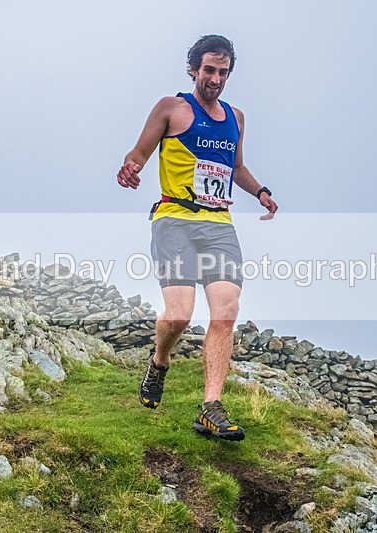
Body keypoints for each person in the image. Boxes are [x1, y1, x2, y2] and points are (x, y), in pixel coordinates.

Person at [117, 35, 277, 440]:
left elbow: (235, 167)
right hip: (174, 219)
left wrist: (260, 191)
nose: (216, 79)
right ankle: (160, 360)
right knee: (179, 315)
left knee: (226, 310)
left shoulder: (235, 118)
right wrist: (130, 168)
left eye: (223, 72)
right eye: (209, 70)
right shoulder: (171, 108)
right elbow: (139, 152)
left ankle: (210, 406)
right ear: (193, 69)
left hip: (219, 224)